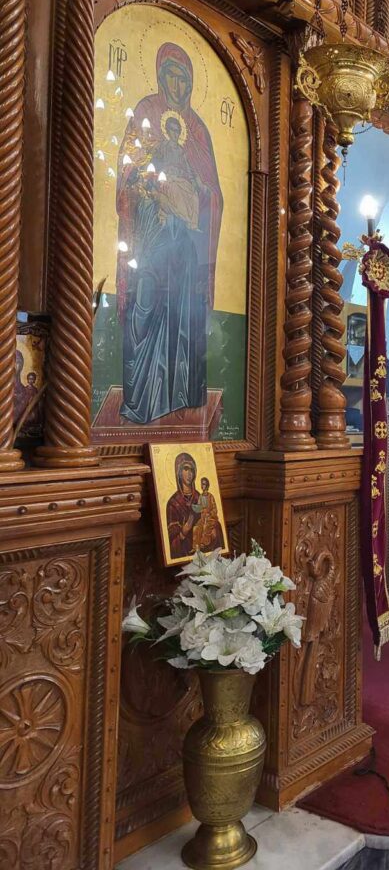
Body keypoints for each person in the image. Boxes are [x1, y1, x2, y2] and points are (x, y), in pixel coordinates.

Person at [116, 43, 224, 425]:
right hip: (151, 240)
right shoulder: (146, 111)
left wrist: (197, 194)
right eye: (171, 76)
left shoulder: (199, 131)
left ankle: (182, 395)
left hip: (184, 248)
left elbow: (213, 193)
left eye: (184, 79)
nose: (177, 85)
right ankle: (143, 401)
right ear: (161, 77)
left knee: (185, 317)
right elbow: (128, 176)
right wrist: (152, 190)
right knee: (146, 308)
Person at [166, 452, 202, 560]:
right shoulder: (173, 503)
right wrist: (184, 530)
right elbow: (172, 542)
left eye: (192, 470)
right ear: (179, 472)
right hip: (185, 556)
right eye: (185, 469)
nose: (189, 473)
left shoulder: (199, 497)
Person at [192, 476, 225, 551]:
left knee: (206, 526)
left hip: (210, 518)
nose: (202, 485)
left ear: (207, 485)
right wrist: (196, 508)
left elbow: (215, 509)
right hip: (202, 518)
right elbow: (199, 507)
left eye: (204, 484)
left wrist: (209, 513)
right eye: (201, 484)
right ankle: (195, 546)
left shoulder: (210, 496)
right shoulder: (200, 497)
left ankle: (203, 543)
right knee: (195, 528)